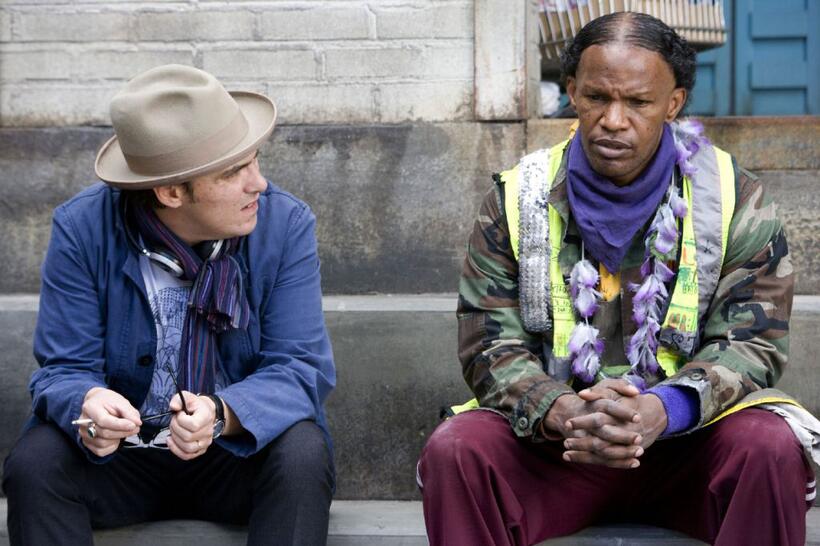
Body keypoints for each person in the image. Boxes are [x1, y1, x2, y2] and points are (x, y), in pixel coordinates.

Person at [418, 12, 818, 546]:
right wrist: (562, 412)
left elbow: (750, 344)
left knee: (768, 446)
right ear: (572, 94)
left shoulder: (732, 197)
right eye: (596, 97)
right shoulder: (517, 198)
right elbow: (489, 345)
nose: (613, 120)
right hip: (557, 450)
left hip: (687, 449)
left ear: (673, 104)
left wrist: (665, 409)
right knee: (456, 449)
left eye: (638, 102)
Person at [2, 64, 336, 546]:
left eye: (255, 160)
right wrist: (89, 406)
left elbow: (301, 368)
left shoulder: (284, 226)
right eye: (234, 171)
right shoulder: (82, 229)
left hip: (233, 456)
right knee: (34, 464)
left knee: (303, 452)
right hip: (120, 460)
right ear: (172, 191)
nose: (258, 184)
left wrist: (222, 414)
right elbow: (63, 369)